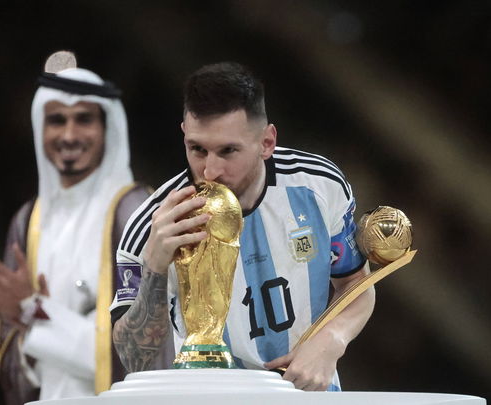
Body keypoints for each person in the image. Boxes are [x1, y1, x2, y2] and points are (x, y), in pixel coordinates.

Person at [110, 62, 375, 391]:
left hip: (310, 396)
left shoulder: (320, 185)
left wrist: (331, 341)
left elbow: (356, 284)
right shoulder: (154, 224)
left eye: (228, 151)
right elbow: (134, 358)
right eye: (197, 149)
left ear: (266, 142)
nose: (210, 171)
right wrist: (154, 264)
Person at [0, 56, 150, 404]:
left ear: (108, 127)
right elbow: (15, 368)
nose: (69, 135)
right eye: (56, 121)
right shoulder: (28, 220)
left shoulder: (134, 212)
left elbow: (140, 351)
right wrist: (27, 320)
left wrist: (33, 313)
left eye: (84, 120)